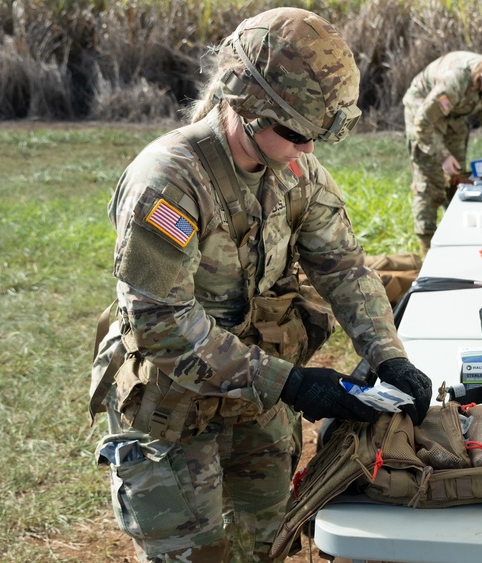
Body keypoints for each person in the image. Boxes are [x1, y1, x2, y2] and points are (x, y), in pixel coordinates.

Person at [87, 8, 433, 562]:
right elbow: (161, 323)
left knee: (264, 546)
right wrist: (290, 383)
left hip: (258, 411)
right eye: (298, 132)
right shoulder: (169, 184)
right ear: (249, 109)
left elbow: (342, 267)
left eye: (320, 134)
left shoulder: (297, 171)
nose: (310, 149)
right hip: (175, 413)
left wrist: (388, 356)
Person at [402, 51, 482, 253]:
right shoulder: (453, 82)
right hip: (424, 115)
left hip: (453, 118)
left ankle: (453, 238)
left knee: (456, 179)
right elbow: (422, 122)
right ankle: (427, 249)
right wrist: (443, 156)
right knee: (430, 184)